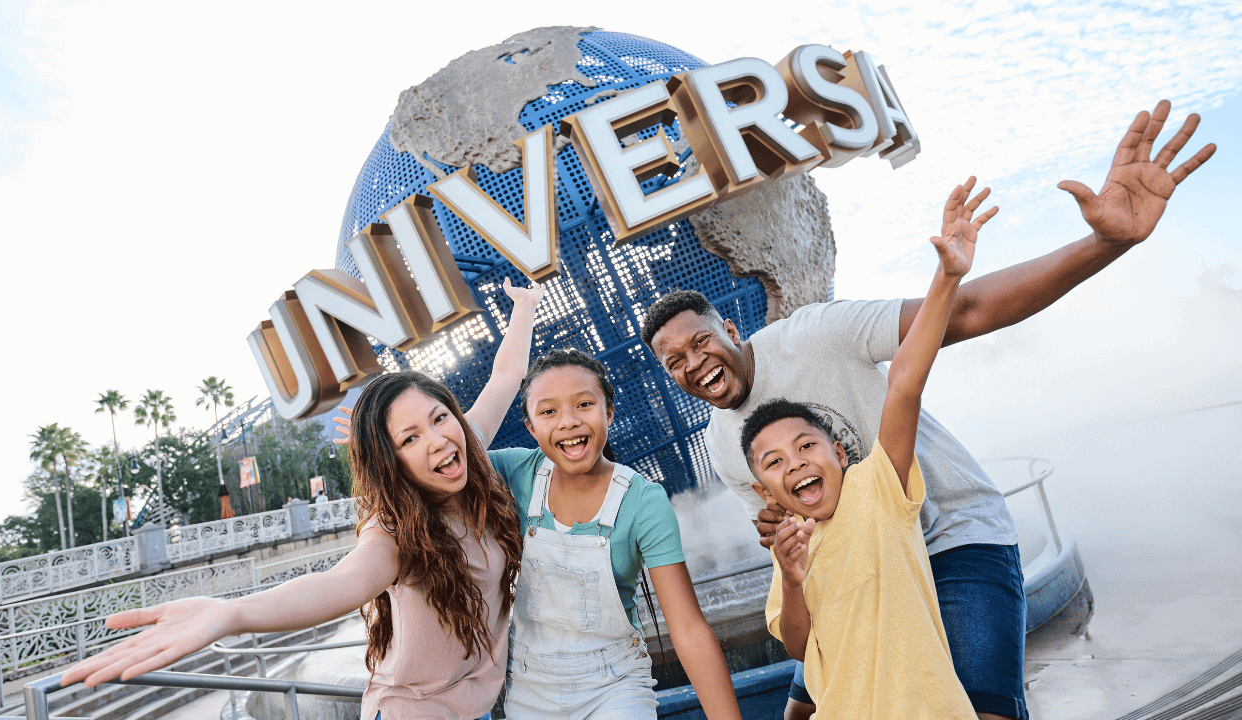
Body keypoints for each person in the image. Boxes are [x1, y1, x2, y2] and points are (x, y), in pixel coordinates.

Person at [642, 101, 1215, 720]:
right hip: (869, 573)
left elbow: (960, 316)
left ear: (729, 327)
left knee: (983, 710)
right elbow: (801, 546)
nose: (693, 362)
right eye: (674, 361)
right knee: (801, 711)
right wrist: (780, 538)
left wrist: (1105, 243)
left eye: (701, 341)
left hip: (951, 539)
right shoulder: (725, 446)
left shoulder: (815, 334)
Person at [61, 278, 545, 720]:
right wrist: (232, 613)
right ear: (390, 461)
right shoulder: (397, 531)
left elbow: (505, 376)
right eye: (409, 439)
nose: (437, 440)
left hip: (476, 708)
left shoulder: (470, 449)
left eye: (440, 418)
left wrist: (524, 306)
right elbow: (337, 584)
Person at [745, 180, 991, 718]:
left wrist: (947, 276)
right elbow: (796, 646)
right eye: (775, 463)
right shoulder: (789, 550)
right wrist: (790, 578)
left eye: (806, 445)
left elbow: (904, 381)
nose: (797, 463)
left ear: (839, 451)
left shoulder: (877, 488)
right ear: (766, 491)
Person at [487, 348, 741, 720]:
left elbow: (687, 628)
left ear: (609, 412)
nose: (568, 422)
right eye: (548, 411)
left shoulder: (644, 502)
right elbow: (449, 450)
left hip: (615, 686)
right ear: (530, 426)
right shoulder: (514, 472)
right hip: (526, 688)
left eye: (584, 405)